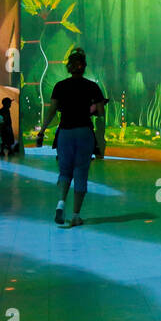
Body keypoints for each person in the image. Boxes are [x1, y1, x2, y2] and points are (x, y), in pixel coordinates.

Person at [36, 49, 108, 227]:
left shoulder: (60, 86)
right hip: (84, 131)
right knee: (81, 172)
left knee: (65, 171)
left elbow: (52, 111)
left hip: (65, 132)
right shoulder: (92, 87)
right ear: (83, 67)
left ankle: (61, 203)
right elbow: (100, 113)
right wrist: (91, 107)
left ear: (69, 67)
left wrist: (41, 132)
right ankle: (75, 215)